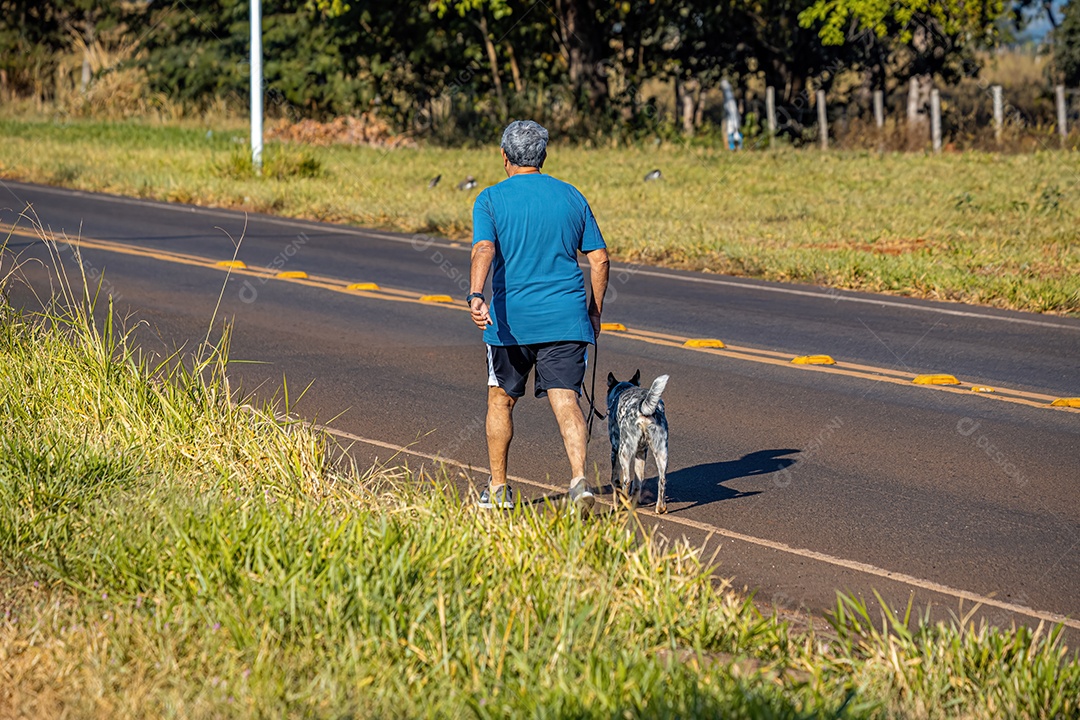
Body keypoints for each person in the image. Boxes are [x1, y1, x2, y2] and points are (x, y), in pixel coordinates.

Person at [467, 120, 610, 510]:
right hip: (566, 319)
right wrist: (593, 311)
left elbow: (484, 250)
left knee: (500, 401)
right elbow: (599, 258)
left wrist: (476, 294)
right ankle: (580, 481)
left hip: (510, 324)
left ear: (503, 156)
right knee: (567, 401)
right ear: (543, 156)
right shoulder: (571, 196)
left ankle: (498, 490)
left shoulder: (491, 199)